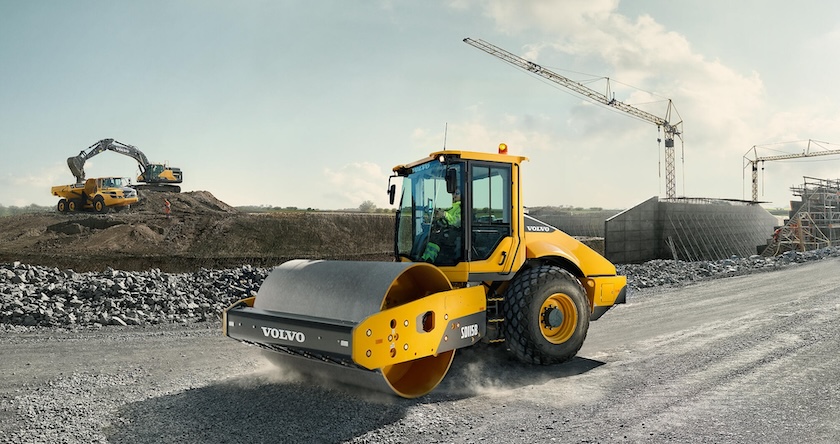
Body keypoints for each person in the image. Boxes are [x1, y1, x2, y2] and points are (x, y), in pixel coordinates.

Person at [421, 189, 462, 262]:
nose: (454, 195)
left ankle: (429, 260)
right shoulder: (452, 206)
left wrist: (443, 215)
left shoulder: (462, 207)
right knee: (428, 237)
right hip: (447, 230)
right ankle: (425, 258)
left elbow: (456, 221)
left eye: (457, 193)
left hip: (455, 232)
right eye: (453, 193)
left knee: (436, 240)